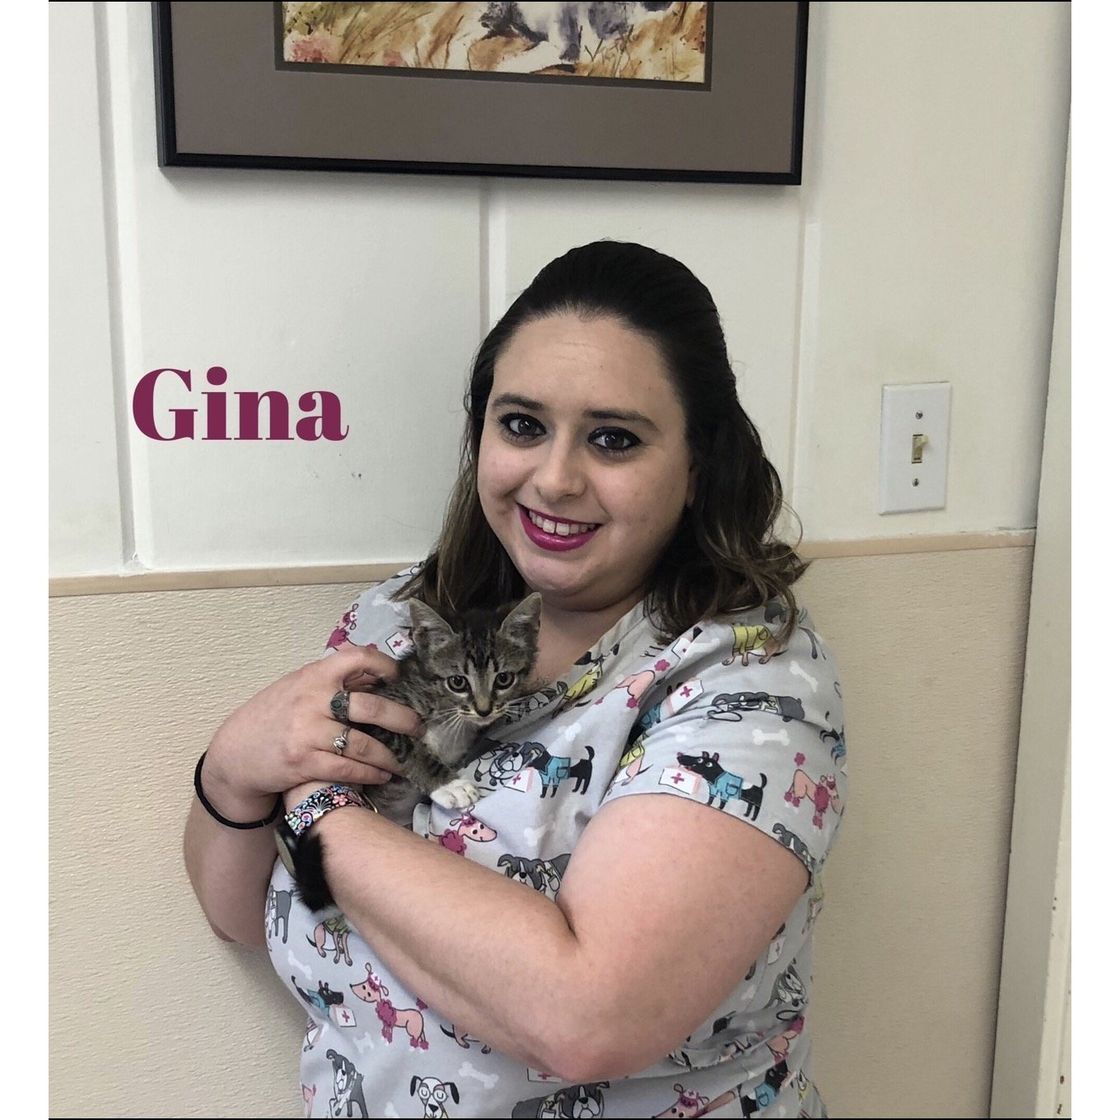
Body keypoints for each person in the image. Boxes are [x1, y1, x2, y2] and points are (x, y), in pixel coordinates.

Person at [184, 240, 848, 1117]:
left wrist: (316, 812)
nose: (555, 478)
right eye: (523, 425)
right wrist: (231, 771)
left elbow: (587, 1018)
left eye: (613, 439)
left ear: (696, 466)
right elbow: (240, 917)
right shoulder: (399, 619)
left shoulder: (751, 689)